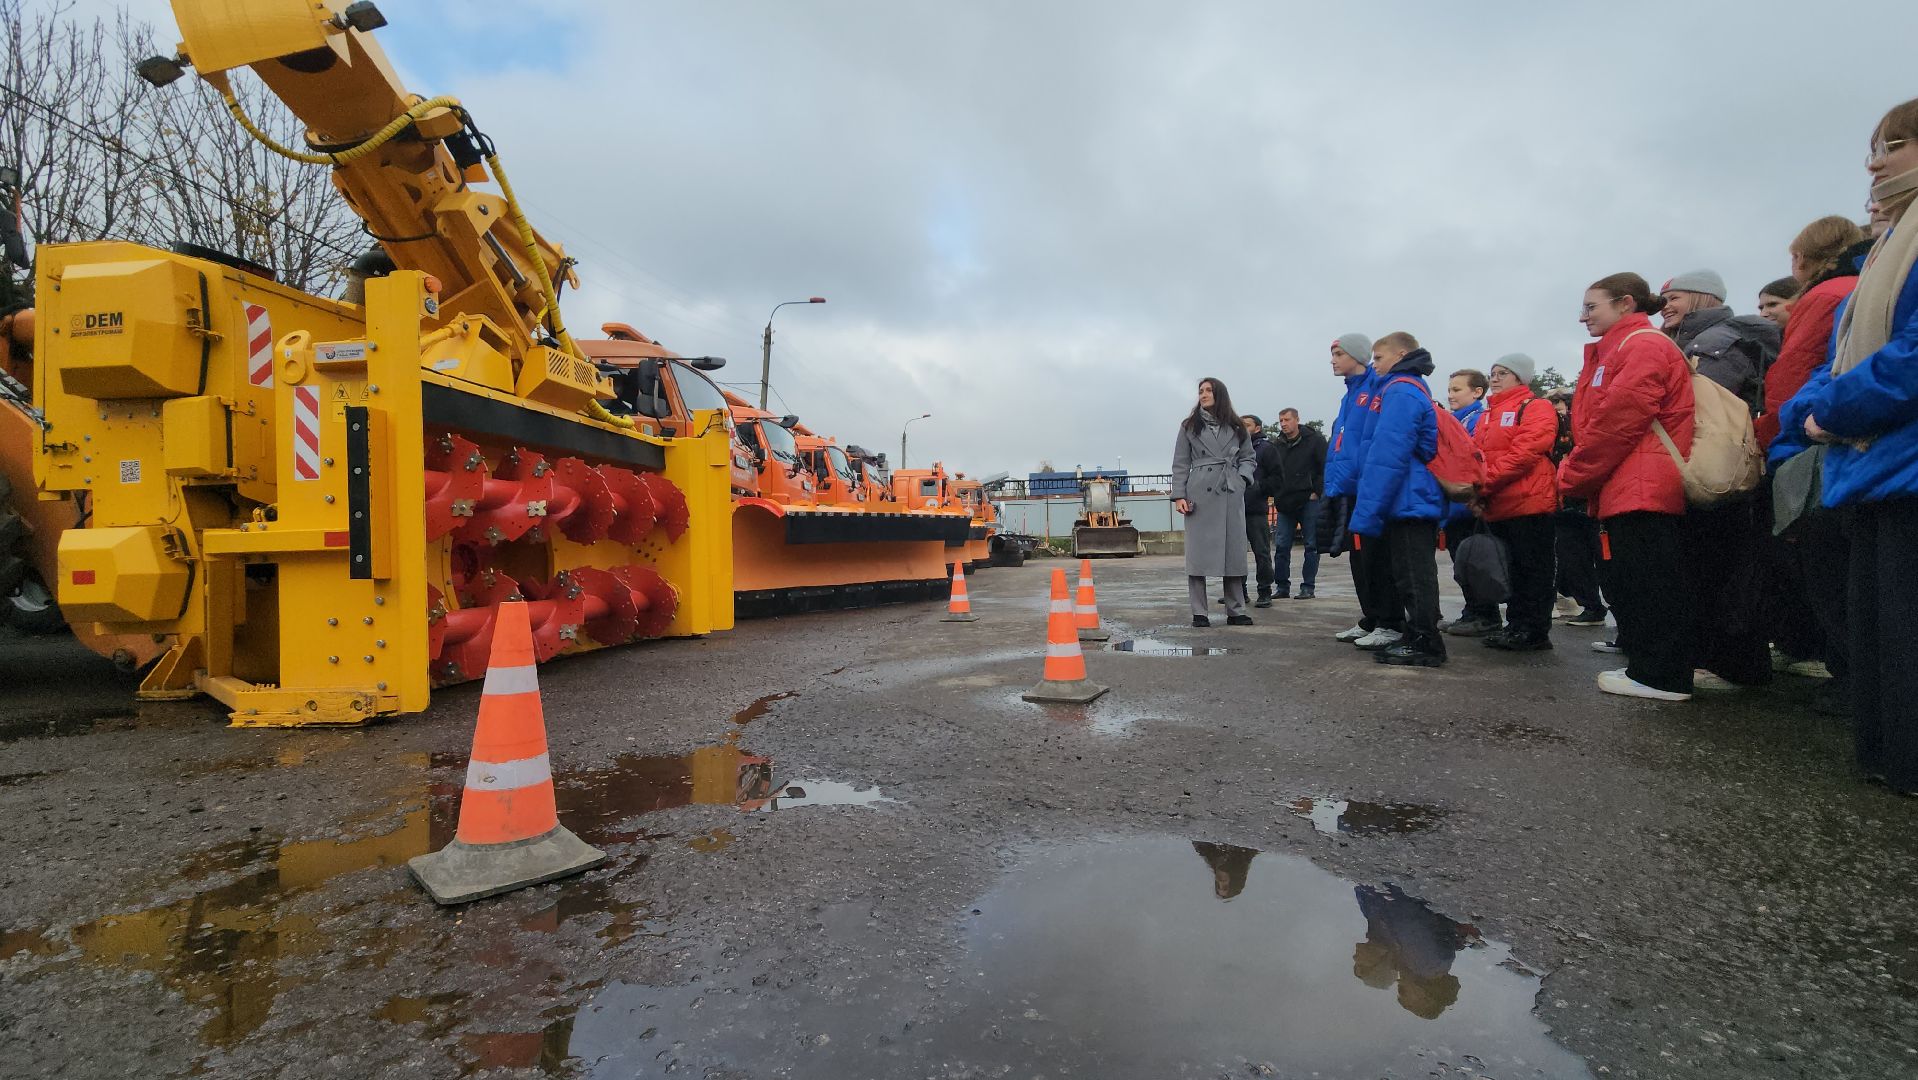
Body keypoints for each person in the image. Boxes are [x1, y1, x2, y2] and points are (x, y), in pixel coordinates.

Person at [1795, 98, 1918, 793]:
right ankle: (1887, 752)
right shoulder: (1886, 254)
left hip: (1900, 458)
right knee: (1876, 626)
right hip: (1875, 463)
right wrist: (1817, 409)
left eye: (1894, 144)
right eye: (1873, 147)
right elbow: (1835, 360)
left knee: (1903, 625)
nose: (1875, 161)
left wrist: (1830, 411)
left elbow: (1909, 356)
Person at [1560, 273, 1696, 701]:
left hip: (1643, 482)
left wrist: (1571, 475)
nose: (1583, 317)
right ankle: (1648, 667)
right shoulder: (1619, 348)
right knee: (1633, 580)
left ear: (1624, 304)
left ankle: (1662, 676)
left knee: (1651, 582)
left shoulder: (1642, 345)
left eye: (1590, 307)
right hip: (1628, 481)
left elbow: (1617, 420)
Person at [1349, 332, 1447, 667]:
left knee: (1413, 572)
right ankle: (1416, 633)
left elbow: (1389, 453)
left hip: (1408, 497)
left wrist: (1370, 506)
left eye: (1378, 358)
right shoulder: (1402, 388)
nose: (1373, 365)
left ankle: (1426, 641)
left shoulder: (1401, 389)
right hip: (1406, 494)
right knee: (1406, 571)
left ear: (1400, 354)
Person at [1471, 354, 1559, 650]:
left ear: (1520, 377)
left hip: (1529, 503)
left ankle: (1534, 630)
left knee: (1533, 570)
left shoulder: (1536, 406)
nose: (1494, 378)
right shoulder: (1487, 415)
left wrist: (1484, 484)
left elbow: (1525, 452)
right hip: (1499, 504)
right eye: (1492, 372)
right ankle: (1516, 626)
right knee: (1511, 570)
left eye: (1502, 373)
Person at [1320, 334, 1402, 648]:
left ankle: (1390, 621)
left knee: (1378, 556)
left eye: (1339, 353)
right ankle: (1372, 617)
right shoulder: (1349, 395)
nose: (1333, 359)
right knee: (1359, 558)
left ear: (1356, 356)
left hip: (1367, 486)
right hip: (1348, 488)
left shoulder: (1375, 386)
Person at [1171, 377, 1257, 627]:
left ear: (1220, 394)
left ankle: (1236, 610)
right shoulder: (1189, 426)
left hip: (1230, 491)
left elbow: (1249, 458)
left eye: (1209, 390)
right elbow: (1180, 463)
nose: (1204, 394)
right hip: (1199, 493)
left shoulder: (1238, 427)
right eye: (1201, 391)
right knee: (1198, 556)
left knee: (1233, 552)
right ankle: (1200, 612)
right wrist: (1179, 495)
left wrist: (1241, 479)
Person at [1661, 268, 1781, 415]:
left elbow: (1703, 405)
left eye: (1673, 298)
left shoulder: (1714, 341)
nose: (1664, 307)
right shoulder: (1703, 338)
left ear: (1701, 297)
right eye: (1663, 301)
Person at [1440, 369, 1499, 636]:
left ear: (1477, 392)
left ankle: (1484, 615)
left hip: (1466, 506)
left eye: (1457, 390)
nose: (1451, 395)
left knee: (1474, 563)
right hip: (1454, 507)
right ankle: (1472, 611)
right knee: (1461, 563)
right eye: (1450, 389)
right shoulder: (1456, 420)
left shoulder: (1477, 420)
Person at [1269, 408, 1327, 600]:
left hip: (1308, 500)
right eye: (1280, 421)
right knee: (1282, 546)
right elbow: (1273, 472)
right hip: (1285, 501)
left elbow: (1324, 467)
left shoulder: (1315, 440)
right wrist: (1276, 492)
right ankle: (1282, 587)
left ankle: (1307, 587)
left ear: (1296, 420)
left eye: (1286, 420)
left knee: (1312, 545)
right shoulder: (1277, 445)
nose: (1283, 424)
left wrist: (1316, 491)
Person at [1241, 415, 1281, 607]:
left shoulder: (1267, 449)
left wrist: (1258, 487)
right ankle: (1238, 592)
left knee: (1262, 553)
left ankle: (1264, 591)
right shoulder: (1233, 450)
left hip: (1256, 509)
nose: (1242, 428)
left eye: (1246, 425)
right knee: (1234, 554)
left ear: (1257, 428)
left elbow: (1277, 478)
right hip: (1234, 510)